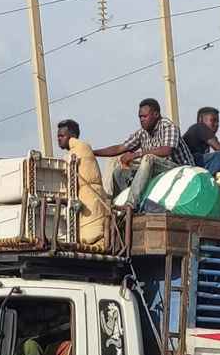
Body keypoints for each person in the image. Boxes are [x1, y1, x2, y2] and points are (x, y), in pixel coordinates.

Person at [95, 98, 193, 200]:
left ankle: (131, 203)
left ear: (156, 115)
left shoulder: (168, 126)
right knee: (119, 171)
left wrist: (137, 154)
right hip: (159, 169)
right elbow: (119, 148)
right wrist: (92, 152)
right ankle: (118, 203)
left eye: (144, 116)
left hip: (180, 170)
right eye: (140, 117)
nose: (141, 119)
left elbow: (166, 151)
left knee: (148, 159)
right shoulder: (142, 132)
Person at [56, 119, 112, 248]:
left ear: (72, 137)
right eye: (58, 136)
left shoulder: (77, 150)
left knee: (91, 236)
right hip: (92, 197)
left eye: (62, 136)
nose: (59, 139)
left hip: (89, 199)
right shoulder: (84, 148)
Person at [183, 106, 220, 175]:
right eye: (213, 120)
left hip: (199, 164)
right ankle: (207, 176)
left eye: (217, 122)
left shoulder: (207, 134)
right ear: (201, 120)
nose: (216, 124)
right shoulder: (199, 127)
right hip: (190, 164)